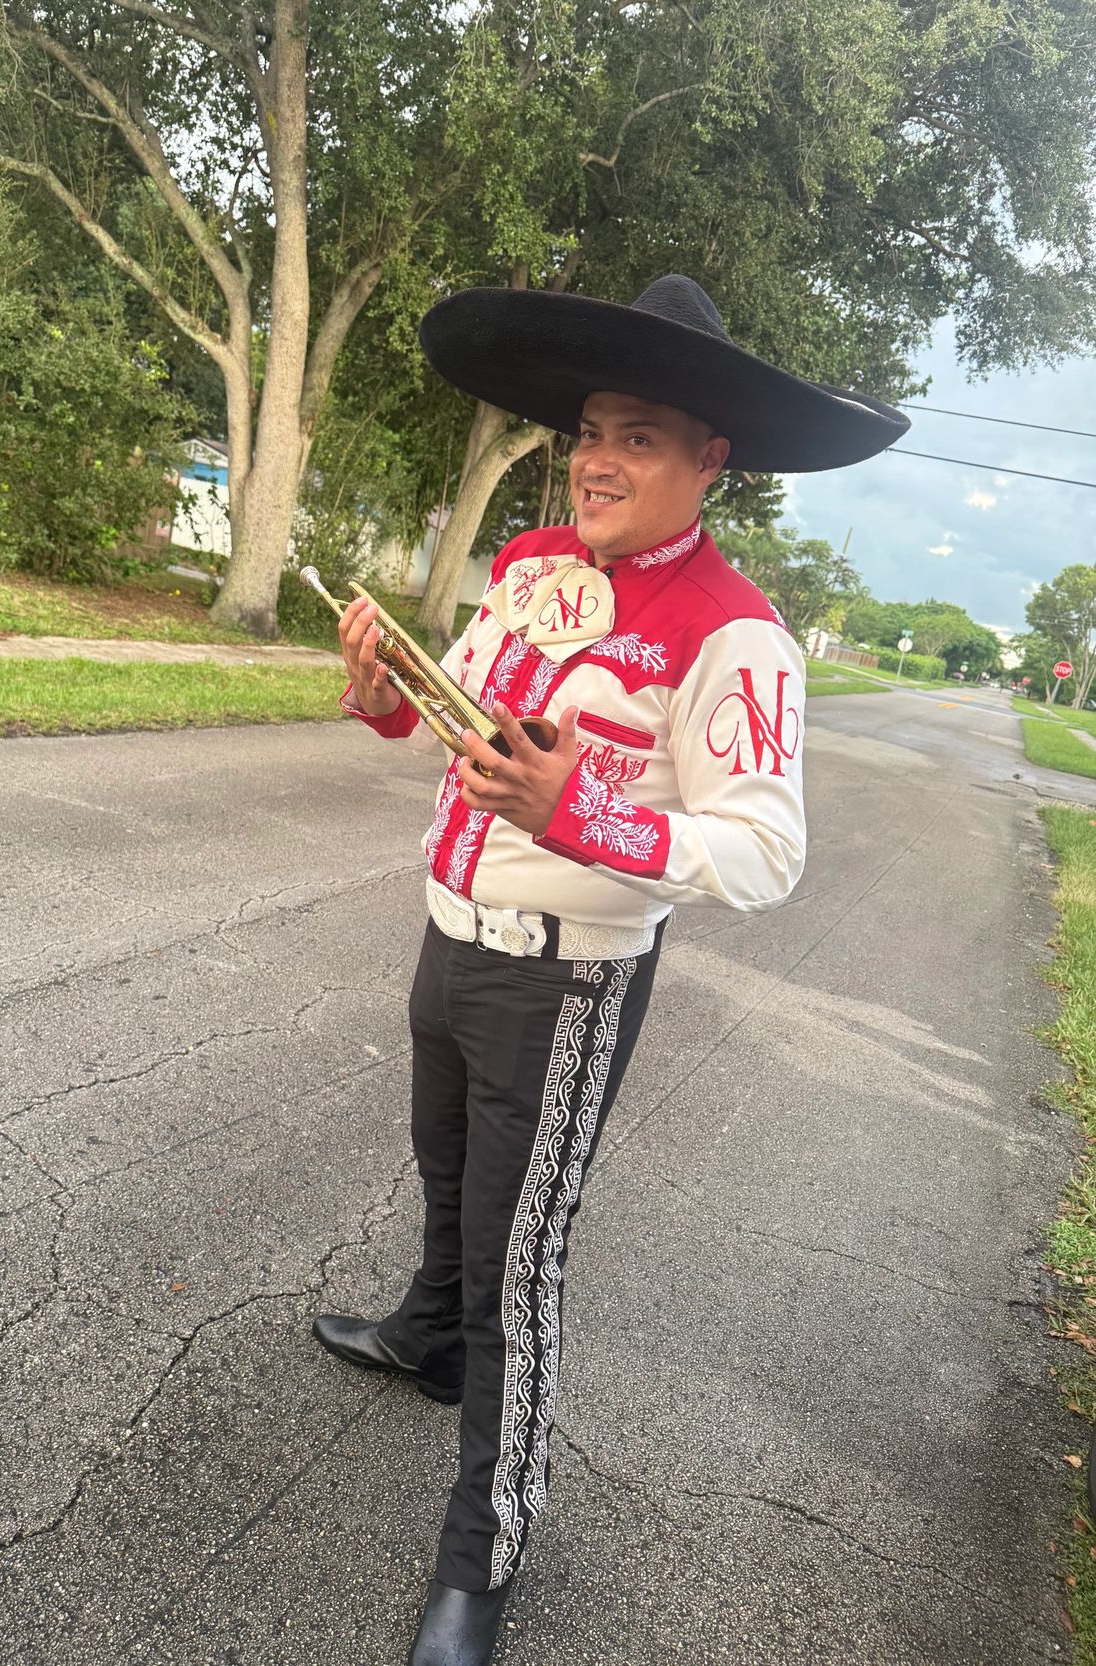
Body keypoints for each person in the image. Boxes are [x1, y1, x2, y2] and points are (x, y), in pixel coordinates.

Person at [314, 275, 908, 1666]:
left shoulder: (735, 631)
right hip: (447, 936)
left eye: (639, 434)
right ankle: (424, 1334)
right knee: (445, 1171)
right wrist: (382, 683)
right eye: (589, 427)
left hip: (563, 980)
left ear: (713, 459)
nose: (595, 456)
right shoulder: (527, 569)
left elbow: (763, 854)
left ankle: (487, 1543)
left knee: (518, 1265)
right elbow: (454, 711)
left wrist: (580, 811)